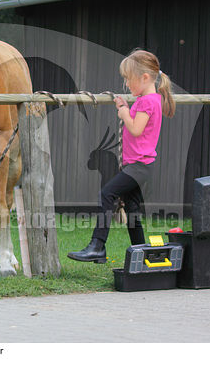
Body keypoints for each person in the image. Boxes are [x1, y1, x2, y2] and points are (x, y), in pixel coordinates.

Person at [68, 49, 176, 263]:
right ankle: (141, 252)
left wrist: (124, 113)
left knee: (107, 194)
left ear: (145, 78)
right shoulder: (151, 100)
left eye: (129, 79)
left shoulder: (147, 101)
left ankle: (97, 246)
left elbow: (136, 129)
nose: (126, 84)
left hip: (138, 166)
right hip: (138, 166)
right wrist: (126, 107)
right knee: (133, 210)